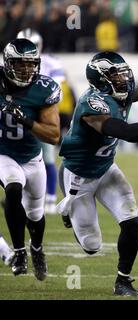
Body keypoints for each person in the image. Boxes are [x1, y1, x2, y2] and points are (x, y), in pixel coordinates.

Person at [56, 51, 138, 296]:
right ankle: (70, 213)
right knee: (91, 246)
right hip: (79, 177)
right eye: (117, 75)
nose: (124, 79)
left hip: (106, 169)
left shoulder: (120, 94)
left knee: (131, 220)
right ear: (101, 79)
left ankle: (122, 281)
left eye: (125, 73)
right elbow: (125, 132)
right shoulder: (92, 103)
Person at [0, 39, 61, 280]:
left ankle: (36, 248)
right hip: (3, 152)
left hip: (31, 156)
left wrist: (25, 119)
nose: (26, 69)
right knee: (13, 189)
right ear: (7, 63)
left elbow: (54, 135)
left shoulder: (43, 88)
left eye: (30, 64)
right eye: (20, 64)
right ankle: (19, 252)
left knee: (36, 214)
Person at [17, 28, 65, 215]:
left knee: (47, 158)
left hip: (43, 114)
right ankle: (19, 196)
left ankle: (51, 198)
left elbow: (56, 92)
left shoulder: (51, 62)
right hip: (17, 114)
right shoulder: (9, 63)